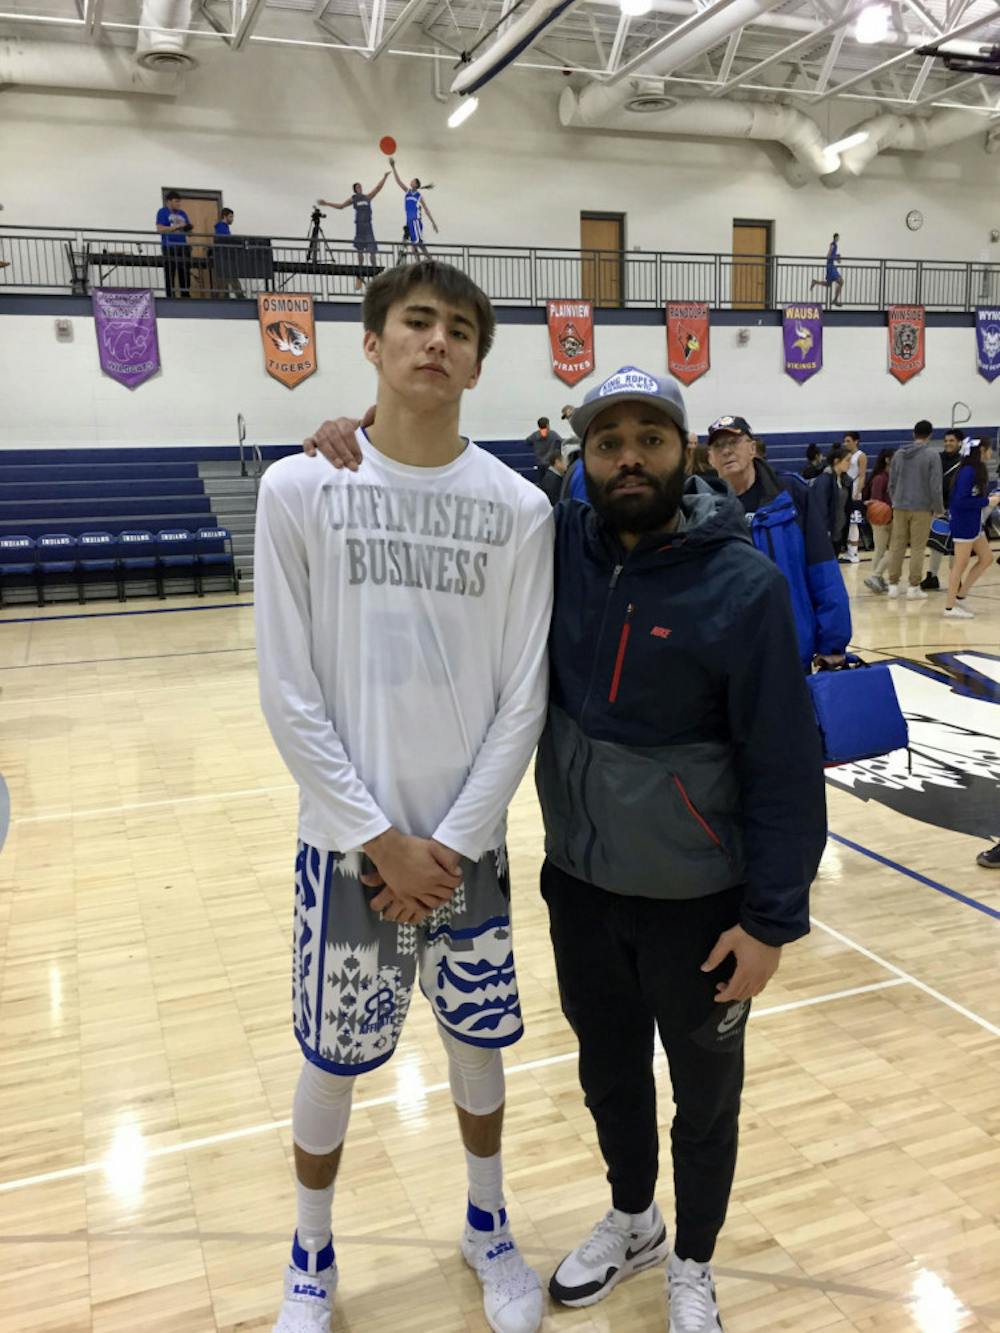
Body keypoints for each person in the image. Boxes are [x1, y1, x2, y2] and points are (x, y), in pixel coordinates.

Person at [301, 366, 829, 1333]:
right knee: (610, 1074)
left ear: (684, 452)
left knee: (704, 1099)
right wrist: (359, 433)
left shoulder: (743, 585)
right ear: (582, 456)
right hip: (582, 887)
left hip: (701, 903)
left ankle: (695, 1263)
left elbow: (788, 762)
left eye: (651, 438)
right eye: (608, 441)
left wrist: (771, 921)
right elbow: (443, 481)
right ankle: (635, 1220)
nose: (629, 457)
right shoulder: (554, 542)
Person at [256, 260, 553, 1333]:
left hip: (466, 852)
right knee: (331, 1060)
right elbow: (286, 693)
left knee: (477, 1047)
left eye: (460, 329)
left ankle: (486, 1224)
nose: (438, 341)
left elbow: (523, 700)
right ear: (372, 344)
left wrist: (450, 846)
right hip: (344, 851)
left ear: (477, 360)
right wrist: (383, 840)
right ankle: (310, 1252)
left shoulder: (521, 509)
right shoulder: (300, 488)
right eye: (416, 322)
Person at [706, 415, 851, 669]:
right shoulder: (703, 508)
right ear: (710, 458)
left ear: (752, 448)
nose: (727, 450)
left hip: (790, 651)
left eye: (734, 442)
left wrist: (832, 642)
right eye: (719, 446)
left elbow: (822, 568)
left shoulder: (791, 493)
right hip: (728, 659)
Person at [886, 419, 944, 599]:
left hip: (900, 506)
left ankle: (893, 585)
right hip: (922, 507)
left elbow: (892, 483)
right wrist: (938, 507)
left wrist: (896, 500)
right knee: (918, 548)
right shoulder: (932, 455)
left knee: (897, 546)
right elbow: (935, 485)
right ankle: (913, 587)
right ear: (930, 435)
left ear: (914, 433)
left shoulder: (899, 454)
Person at [943, 438, 999, 619]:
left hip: (973, 522)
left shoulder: (976, 470)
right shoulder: (968, 471)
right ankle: (949, 608)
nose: (992, 452)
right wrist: (987, 501)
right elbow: (960, 501)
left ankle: (961, 595)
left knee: (986, 558)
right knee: (960, 564)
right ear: (982, 450)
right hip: (963, 522)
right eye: (990, 449)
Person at [318, 173, 390, 289]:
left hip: (368, 227)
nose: (360, 188)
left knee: (372, 252)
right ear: (355, 190)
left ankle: (376, 277)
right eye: (357, 187)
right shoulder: (354, 198)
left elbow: (378, 188)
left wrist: (385, 177)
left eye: (360, 187)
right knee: (360, 252)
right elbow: (341, 206)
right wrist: (327, 203)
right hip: (359, 227)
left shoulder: (367, 197)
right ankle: (359, 277)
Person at [921, 428, 964, 591]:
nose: (947, 443)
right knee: (935, 544)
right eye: (946, 440)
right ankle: (932, 576)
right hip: (940, 506)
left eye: (951, 441)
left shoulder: (964, 461)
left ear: (959, 442)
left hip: (958, 508)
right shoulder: (937, 458)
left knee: (956, 546)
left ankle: (956, 578)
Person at [389, 157, 438, 259]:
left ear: (416, 184)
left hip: (415, 221)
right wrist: (393, 167)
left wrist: (433, 222)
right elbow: (398, 181)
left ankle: (431, 261)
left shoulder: (418, 195)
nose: (410, 181)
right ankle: (419, 265)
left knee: (418, 244)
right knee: (414, 248)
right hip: (409, 222)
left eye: (413, 181)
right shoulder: (407, 192)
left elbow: (426, 210)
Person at [863, 448, 894, 593]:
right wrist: (885, 512)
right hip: (880, 519)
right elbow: (876, 502)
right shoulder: (880, 478)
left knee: (881, 550)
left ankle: (877, 578)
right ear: (887, 459)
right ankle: (875, 577)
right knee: (886, 550)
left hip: (891, 518)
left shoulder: (892, 476)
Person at [811, 445, 852, 550]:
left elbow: (846, 506)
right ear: (836, 461)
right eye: (847, 460)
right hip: (827, 532)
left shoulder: (846, 480)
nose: (850, 463)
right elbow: (820, 508)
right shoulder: (824, 481)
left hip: (839, 530)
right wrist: (825, 530)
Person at [155, 190, 192, 298]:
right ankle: (170, 296)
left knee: (184, 272)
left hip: (183, 247)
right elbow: (160, 229)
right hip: (169, 246)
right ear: (169, 201)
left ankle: (185, 294)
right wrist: (176, 227)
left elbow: (189, 234)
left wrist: (188, 229)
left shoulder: (183, 213)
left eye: (179, 202)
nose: (179, 204)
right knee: (170, 272)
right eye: (176, 201)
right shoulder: (162, 212)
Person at [841, 431, 866, 563]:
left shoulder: (860, 455)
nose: (846, 443)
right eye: (845, 441)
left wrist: (858, 492)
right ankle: (848, 550)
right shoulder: (845, 455)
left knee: (854, 522)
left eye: (848, 441)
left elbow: (862, 475)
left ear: (856, 441)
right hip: (845, 490)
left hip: (855, 490)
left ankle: (854, 553)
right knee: (846, 522)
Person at [212, 207, 244, 299]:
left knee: (224, 281)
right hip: (224, 258)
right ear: (225, 216)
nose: (232, 219)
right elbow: (225, 240)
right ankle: (239, 296)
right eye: (231, 216)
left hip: (224, 258)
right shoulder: (222, 227)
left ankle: (237, 295)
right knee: (229, 279)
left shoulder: (222, 227)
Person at [811, 233, 843, 306]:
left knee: (828, 284)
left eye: (838, 238)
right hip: (830, 266)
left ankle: (815, 282)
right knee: (841, 281)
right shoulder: (833, 244)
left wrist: (837, 257)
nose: (838, 239)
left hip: (830, 266)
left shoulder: (835, 245)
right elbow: (829, 255)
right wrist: (836, 257)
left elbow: (832, 255)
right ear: (835, 238)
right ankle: (835, 300)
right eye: (837, 237)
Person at [526, 416, 562, 482]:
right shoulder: (553, 434)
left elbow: (527, 441)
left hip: (540, 463)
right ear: (548, 425)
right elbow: (561, 442)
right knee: (551, 482)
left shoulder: (535, 435)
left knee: (541, 483)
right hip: (550, 463)